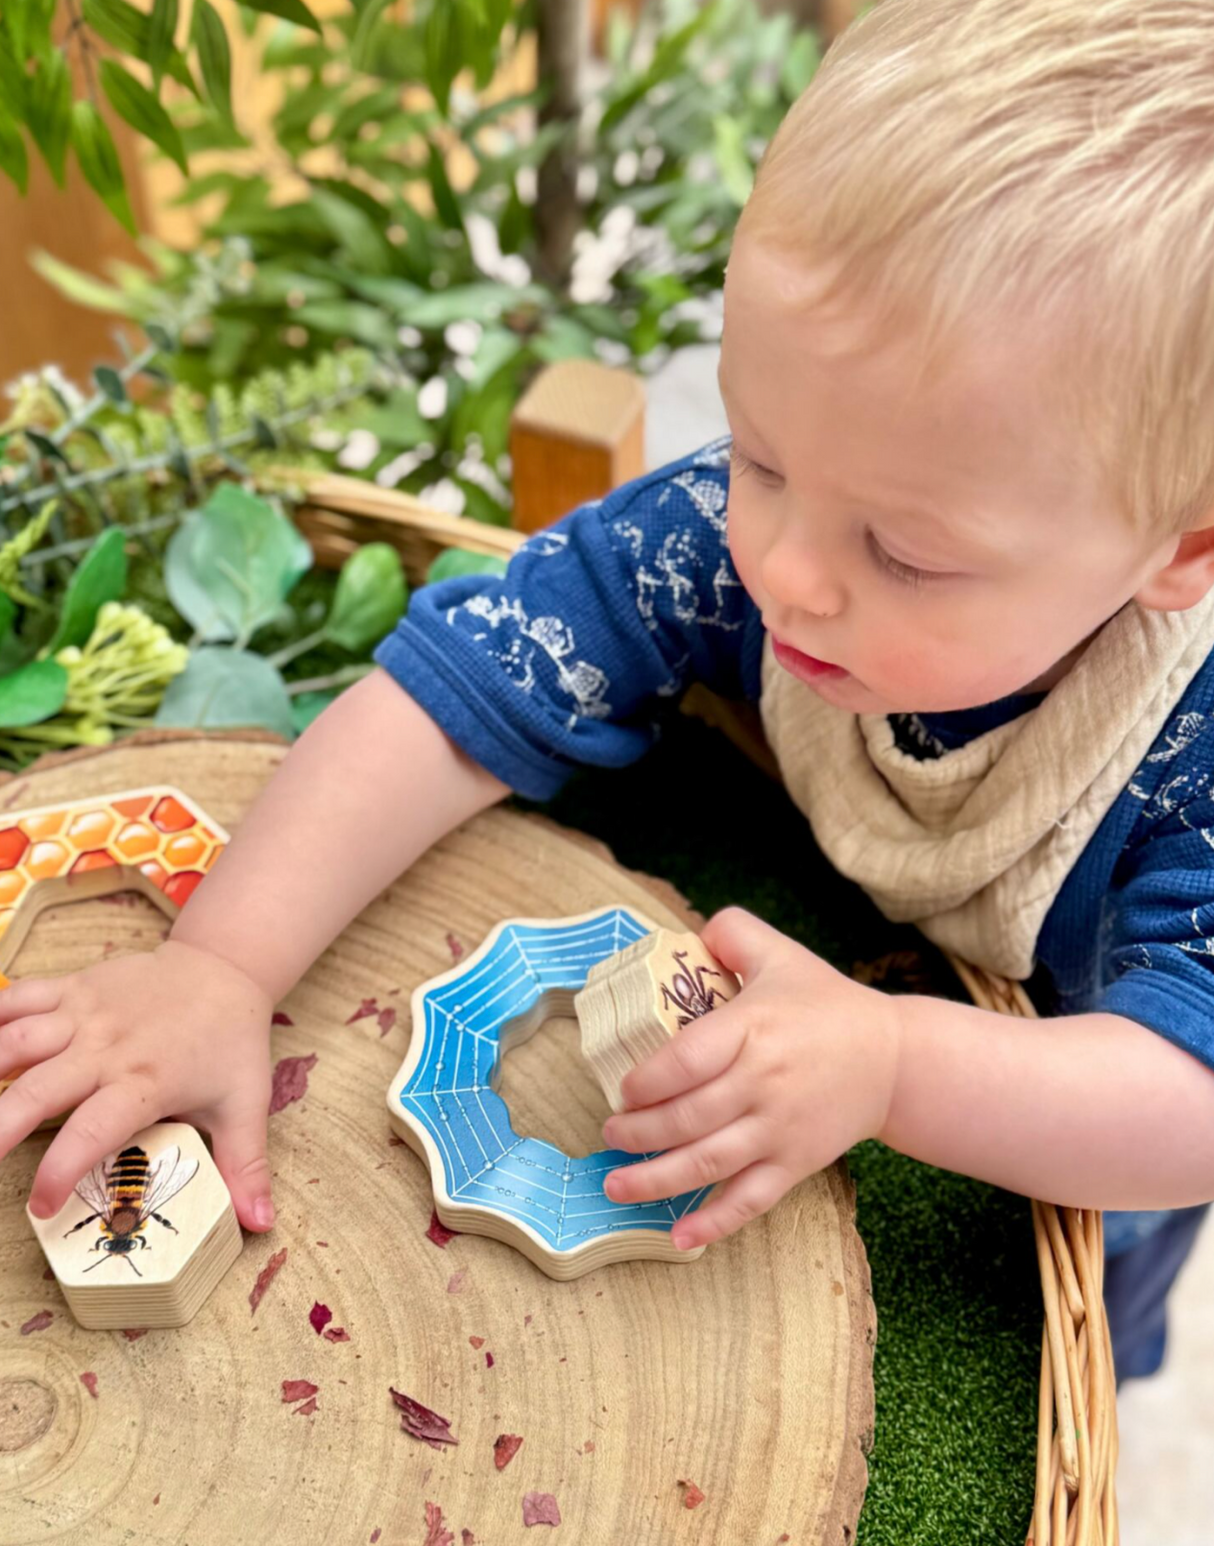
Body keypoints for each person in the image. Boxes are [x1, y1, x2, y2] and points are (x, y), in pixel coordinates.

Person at [3, 0, 1214, 1381]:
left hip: (1059, 1136)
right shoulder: (731, 533)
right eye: (757, 453)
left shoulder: (1194, 758)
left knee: (1081, 1338)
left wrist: (892, 1066)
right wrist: (221, 964)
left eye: (906, 555)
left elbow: (1187, 1102)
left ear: (1178, 553)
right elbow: (455, 689)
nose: (782, 569)